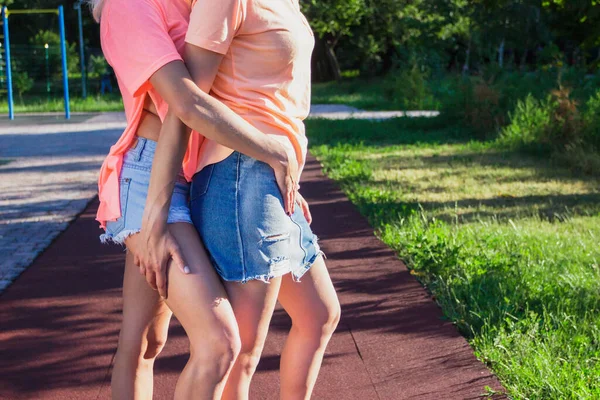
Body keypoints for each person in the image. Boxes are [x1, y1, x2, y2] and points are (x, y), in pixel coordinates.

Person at [90, 0, 299, 398]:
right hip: (149, 178)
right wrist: (273, 153)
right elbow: (187, 103)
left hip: (191, 171)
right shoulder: (126, 7)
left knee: (146, 340)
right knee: (219, 343)